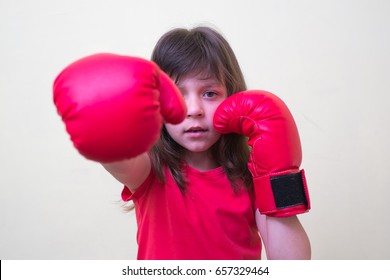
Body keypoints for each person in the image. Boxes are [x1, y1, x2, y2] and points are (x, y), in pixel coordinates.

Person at [53, 26, 311, 260]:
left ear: (234, 99)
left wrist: (278, 176)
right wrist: (101, 109)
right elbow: (114, 154)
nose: (194, 110)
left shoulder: (250, 177)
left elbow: (291, 264)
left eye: (210, 93)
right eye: (177, 93)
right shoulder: (149, 171)